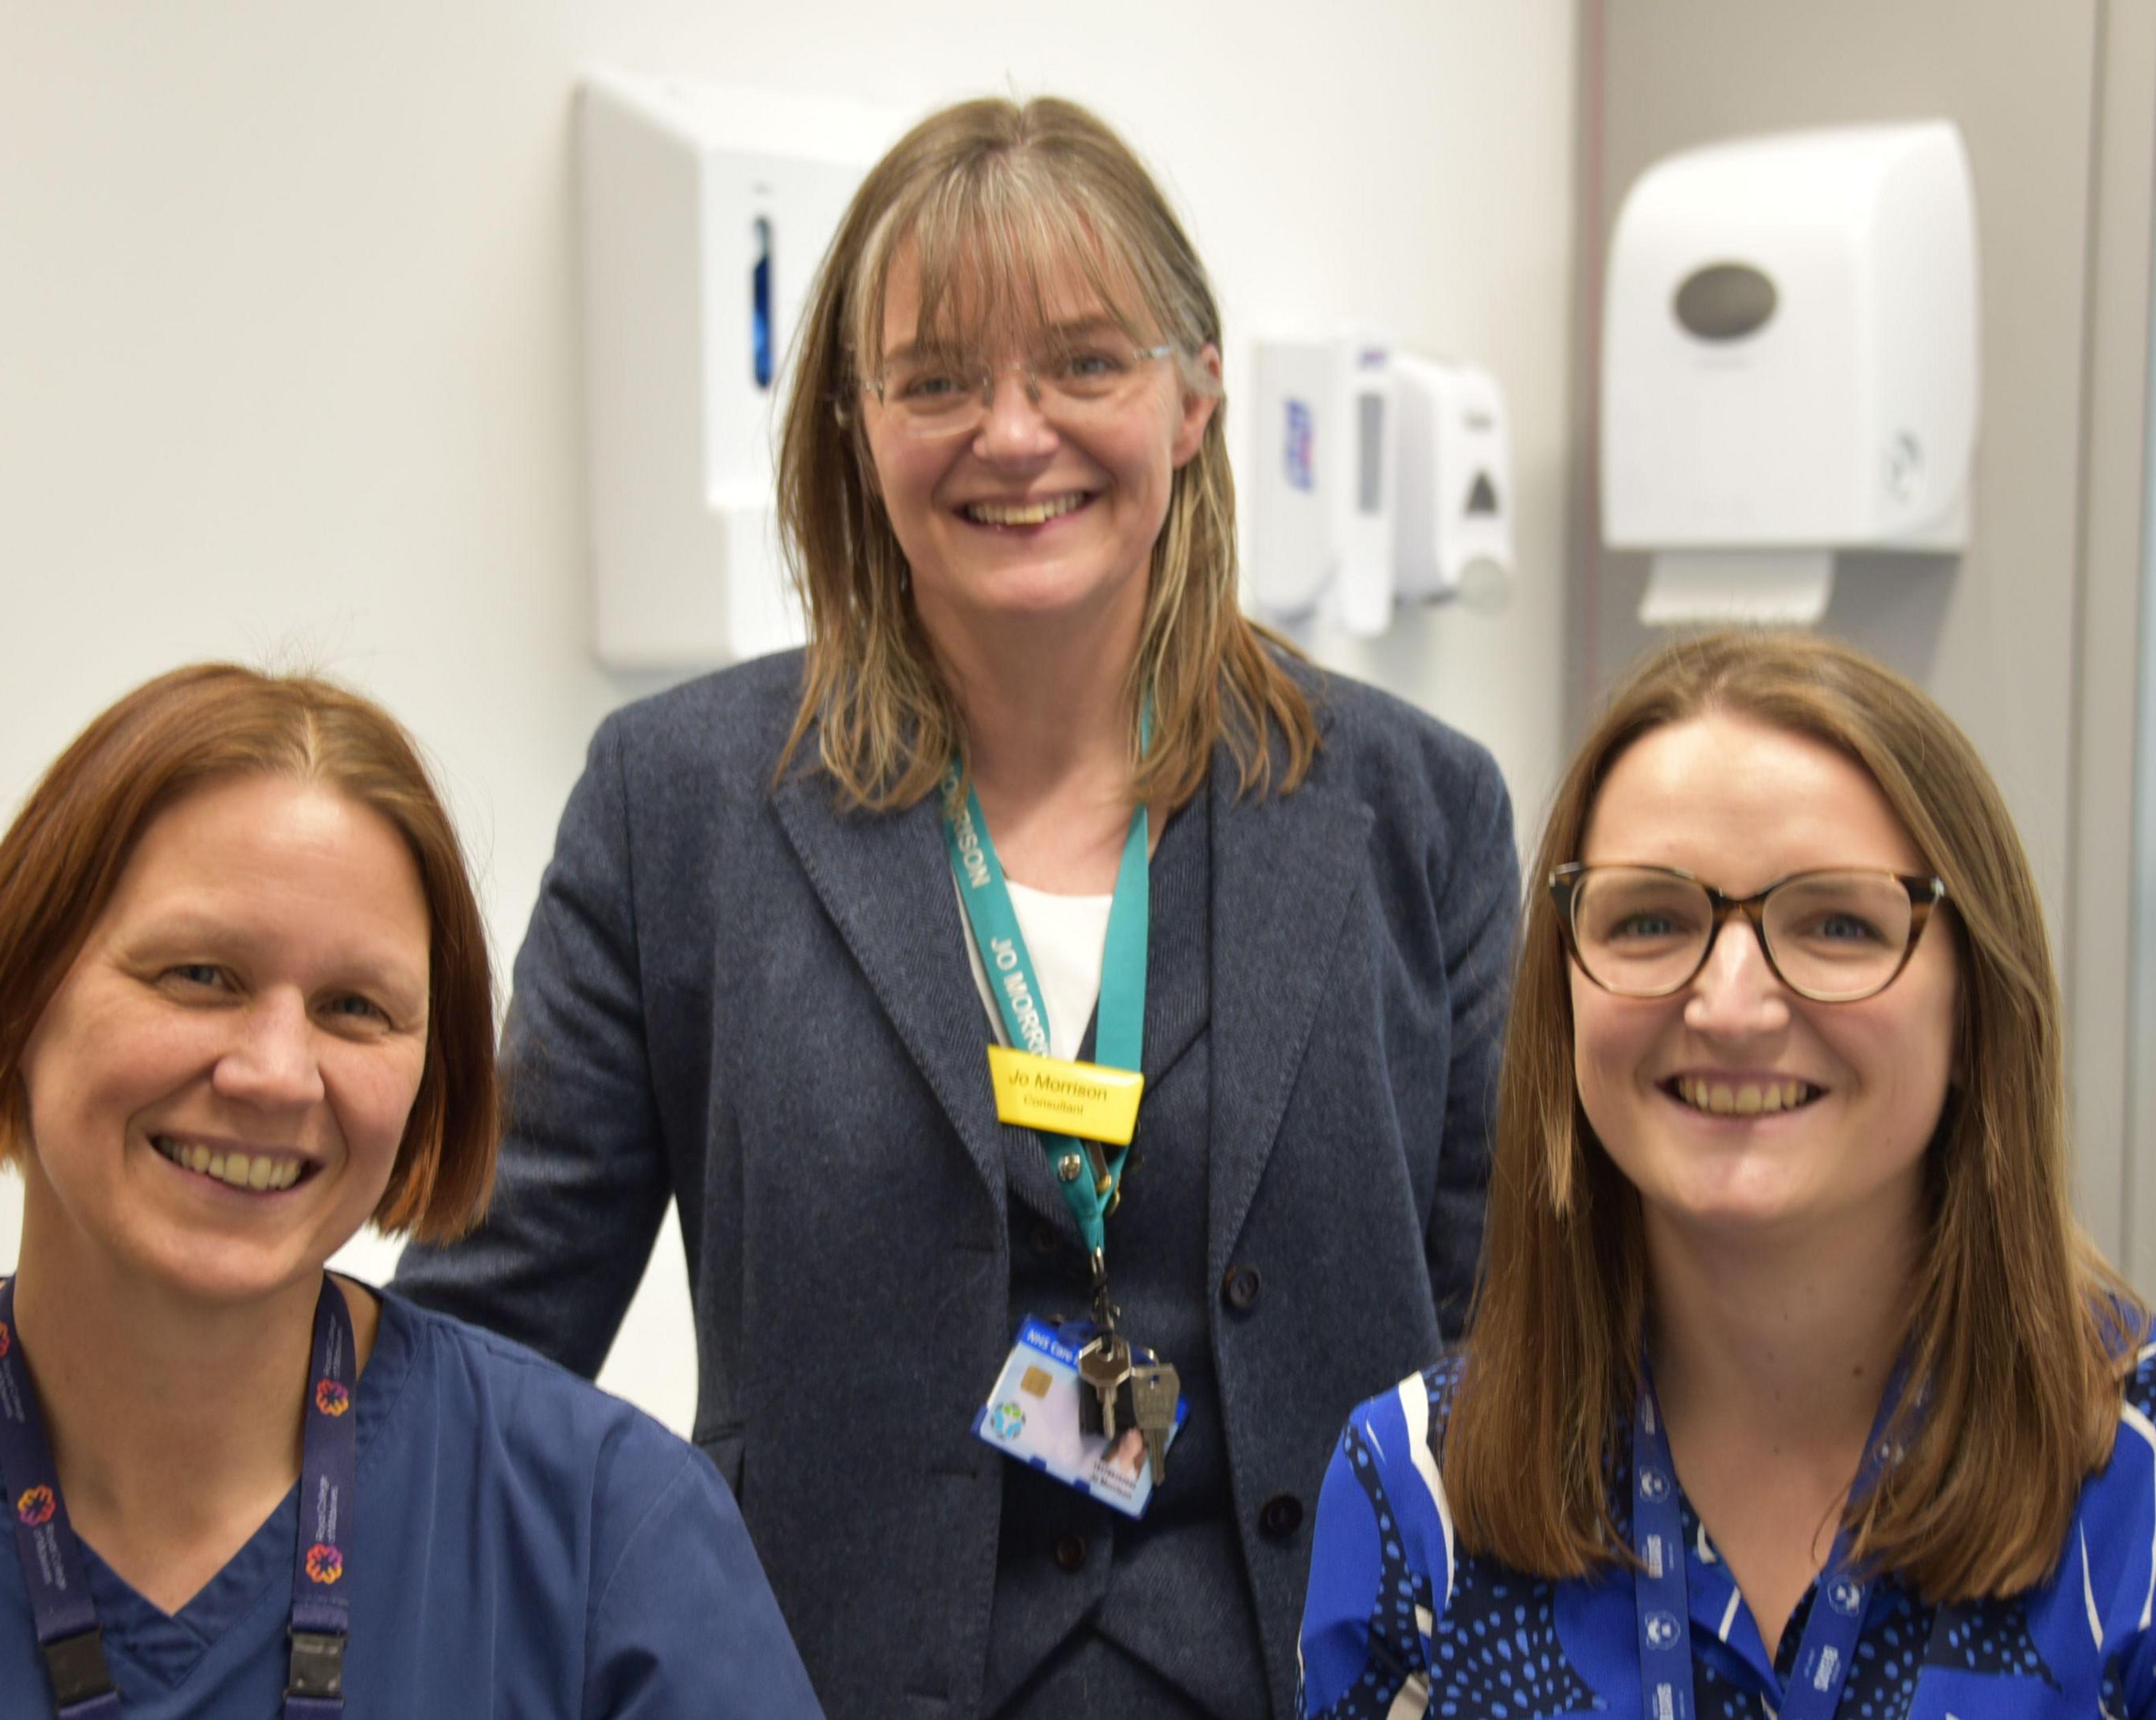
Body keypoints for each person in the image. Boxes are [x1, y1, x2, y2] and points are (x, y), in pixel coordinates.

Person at [390, 95, 1518, 1720]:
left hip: (1315, 1681)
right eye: (936, 380)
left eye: (1083, 363)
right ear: (852, 427)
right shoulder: (684, 809)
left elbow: (1514, 1350)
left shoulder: (1411, 810)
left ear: (1194, 399)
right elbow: (485, 1343)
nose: (1013, 431)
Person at [1297, 631, 2156, 1720]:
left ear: (1975, 1012)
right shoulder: (1419, 1486)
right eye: (1647, 920)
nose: (1729, 1005)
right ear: (1562, 1000)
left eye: (1834, 924)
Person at [0, 664, 819, 1719]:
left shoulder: (606, 1535)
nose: (276, 1075)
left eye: (354, 1009)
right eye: (199, 978)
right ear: (8, 1007)